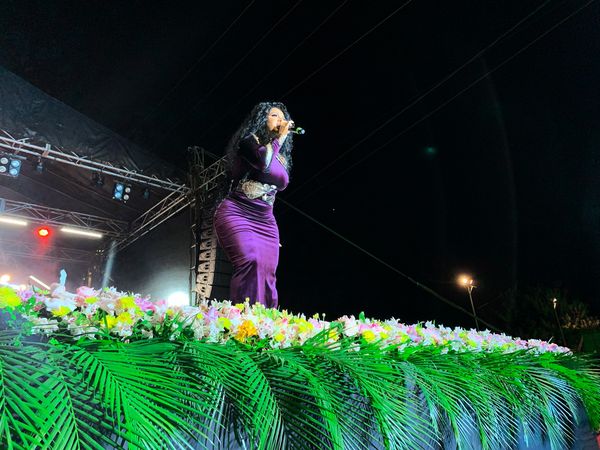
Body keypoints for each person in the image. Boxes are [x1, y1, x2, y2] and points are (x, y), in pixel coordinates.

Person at [213, 102, 295, 308]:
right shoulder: (249, 142)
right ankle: (243, 318)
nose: (280, 120)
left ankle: (263, 321)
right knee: (251, 260)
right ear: (262, 119)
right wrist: (280, 138)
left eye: (283, 117)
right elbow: (262, 163)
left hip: (265, 220)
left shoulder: (281, 158)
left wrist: (270, 231)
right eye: (275, 115)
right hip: (237, 211)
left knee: (267, 269)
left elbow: (275, 186)